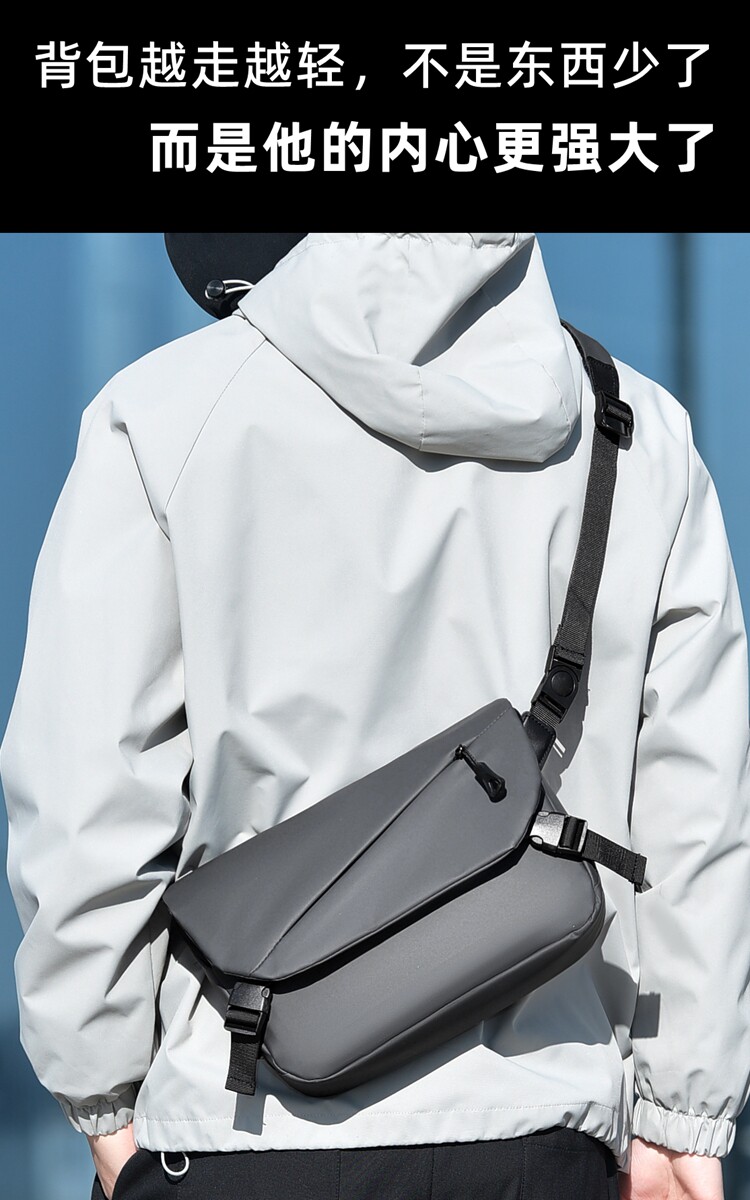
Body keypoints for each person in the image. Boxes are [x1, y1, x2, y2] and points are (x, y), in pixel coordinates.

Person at [2, 231, 749, 1200]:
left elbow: (85, 810)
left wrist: (104, 1102)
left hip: (239, 1117)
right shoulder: (639, 435)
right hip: (544, 1134)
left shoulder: (160, 417)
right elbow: (698, 819)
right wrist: (680, 1119)